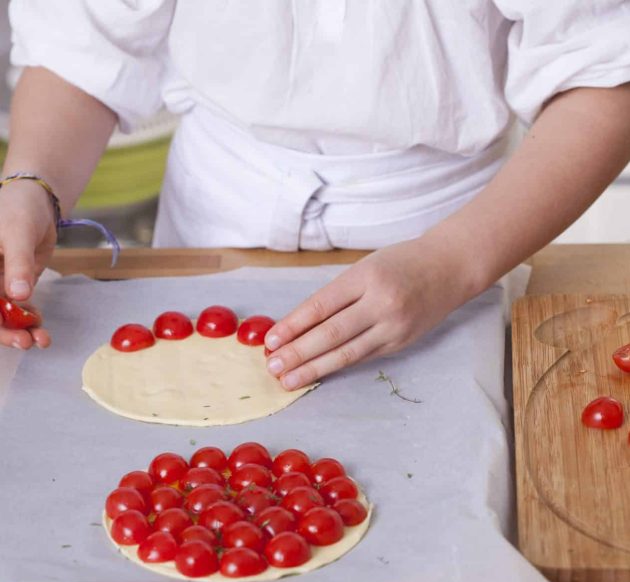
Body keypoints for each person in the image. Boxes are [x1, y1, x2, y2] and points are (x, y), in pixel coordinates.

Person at [0, 1, 629, 392]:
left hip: (455, 236)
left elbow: (605, 73)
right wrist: (33, 182)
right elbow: (83, 46)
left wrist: (454, 261)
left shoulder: (455, 257)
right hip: (211, 222)